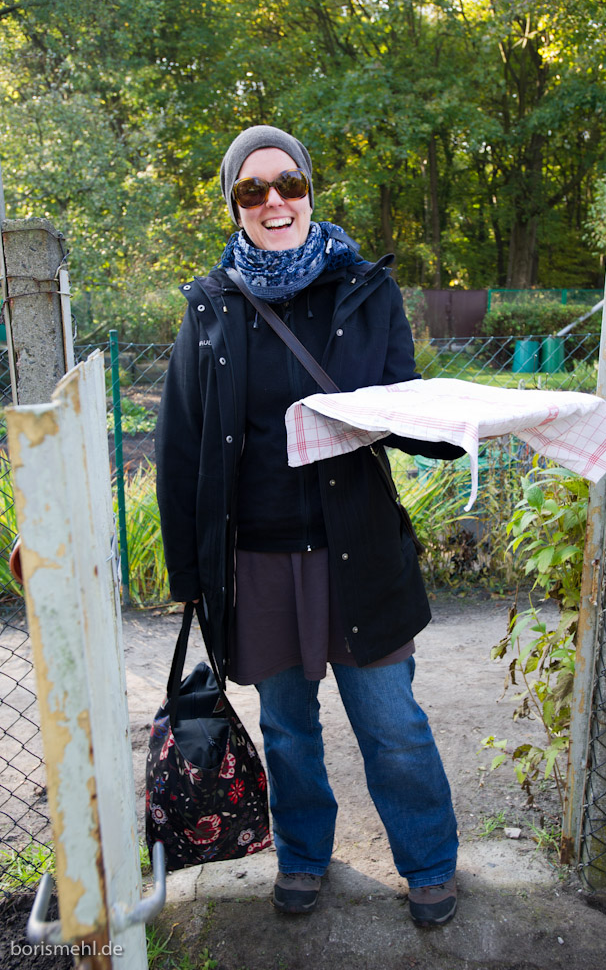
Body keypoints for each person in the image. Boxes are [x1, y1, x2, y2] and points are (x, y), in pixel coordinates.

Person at [156, 125, 464, 927]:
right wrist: (190, 577)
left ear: (309, 190)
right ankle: (302, 856)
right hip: (256, 558)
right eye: (252, 190)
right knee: (288, 728)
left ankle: (428, 863)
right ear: (233, 205)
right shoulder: (211, 305)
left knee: (391, 724)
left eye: (287, 183)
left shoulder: (365, 289)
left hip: (356, 549)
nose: (274, 202)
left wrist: (457, 427)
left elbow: (401, 402)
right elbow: (181, 443)